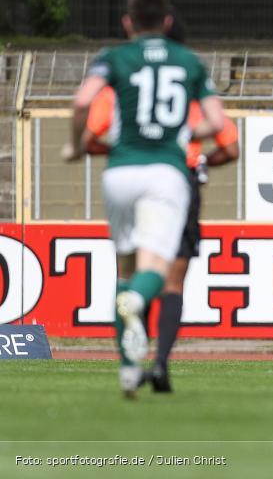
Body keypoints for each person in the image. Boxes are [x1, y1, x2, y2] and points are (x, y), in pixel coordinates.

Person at [63, 0, 225, 398]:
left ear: (128, 22)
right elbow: (216, 122)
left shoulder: (113, 57)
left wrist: (76, 144)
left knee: (125, 266)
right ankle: (137, 302)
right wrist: (182, 131)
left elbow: (82, 101)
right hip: (165, 174)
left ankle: (128, 371)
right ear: (168, 22)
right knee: (155, 266)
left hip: (120, 172)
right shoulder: (188, 61)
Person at [85, 86, 239, 392]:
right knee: (173, 283)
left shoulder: (118, 86)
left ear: (129, 34)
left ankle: (132, 363)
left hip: (130, 177)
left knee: (130, 273)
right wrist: (201, 160)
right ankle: (161, 365)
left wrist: (115, 150)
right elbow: (231, 148)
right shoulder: (191, 87)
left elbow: (88, 139)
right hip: (177, 180)